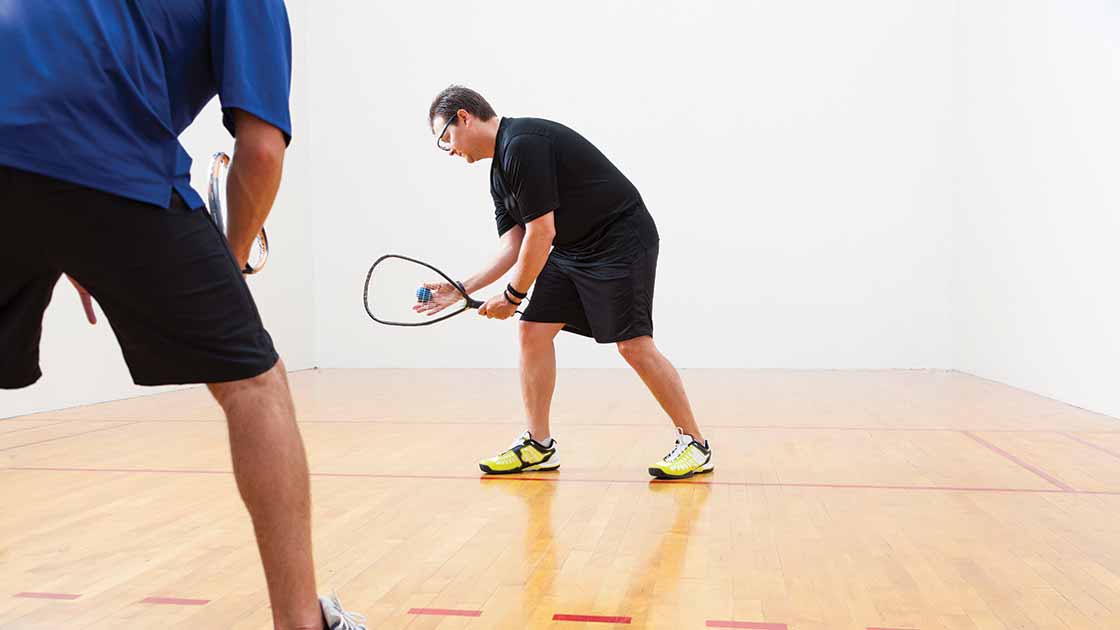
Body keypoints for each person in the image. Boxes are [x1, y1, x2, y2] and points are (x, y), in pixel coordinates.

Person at [0, 2, 363, 628]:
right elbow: (262, 150)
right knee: (255, 382)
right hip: (107, 151)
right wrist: (233, 259)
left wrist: (69, 239)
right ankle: (303, 623)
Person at [423, 85, 712, 480]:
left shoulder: (523, 144)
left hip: (620, 241)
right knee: (532, 331)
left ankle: (695, 443)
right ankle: (539, 445)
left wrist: (512, 295)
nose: (449, 150)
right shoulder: (499, 176)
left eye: (445, 139)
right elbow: (515, 244)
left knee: (633, 345)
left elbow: (542, 233)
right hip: (572, 249)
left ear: (463, 117)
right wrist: (461, 289)